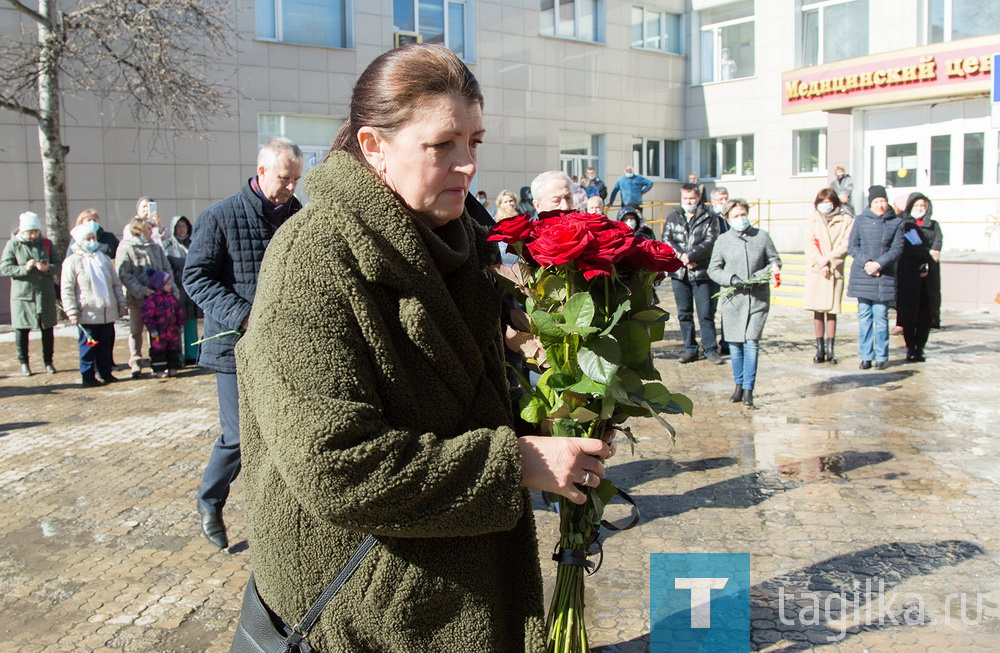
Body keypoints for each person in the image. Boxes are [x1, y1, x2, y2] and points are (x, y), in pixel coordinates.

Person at [235, 44, 611, 652]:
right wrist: (515, 462)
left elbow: (459, 398)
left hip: (457, 585)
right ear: (374, 147)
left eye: (476, 142)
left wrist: (560, 404)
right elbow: (334, 467)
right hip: (371, 608)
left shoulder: (457, 242)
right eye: (442, 145)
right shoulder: (312, 260)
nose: (467, 165)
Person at [183, 136, 304, 550]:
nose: (291, 188)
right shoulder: (220, 216)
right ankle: (209, 500)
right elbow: (195, 277)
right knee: (237, 437)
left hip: (283, 348)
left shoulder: (298, 216)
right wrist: (244, 315)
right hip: (233, 347)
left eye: (296, 180)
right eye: (285, 179)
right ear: (262, 171)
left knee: (282, 435)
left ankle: (279, 517)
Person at [708, 199, 781, 408]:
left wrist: (760, 275)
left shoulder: (762, 236)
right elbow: (714, 269)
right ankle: (738, 385)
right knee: (735, 344)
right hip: (734, 300)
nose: (741, 219)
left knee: (751, 342)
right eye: (736, 216)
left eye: (743, 214)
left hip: (757, 299)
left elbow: (775, 261)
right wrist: (731, 279)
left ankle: (749, 388)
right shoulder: (723, 240)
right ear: (727, 218)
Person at [661, 183, 722, 364]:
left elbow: (711, 242)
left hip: (701, 272)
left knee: (705, 313)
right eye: (685, 199)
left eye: (692, 199)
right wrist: (682, 257)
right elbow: (667, 239)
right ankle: (690, 348)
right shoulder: (673, 217)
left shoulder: (710, 218)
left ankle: (710, 349)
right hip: (680, 273)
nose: (689, 202)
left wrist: (692, 256)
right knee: (684, 313)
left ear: (698, 198)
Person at [61, 221, 126, 386]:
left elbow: (115, 283)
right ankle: (88, 376)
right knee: (88, 347)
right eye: (87, 238)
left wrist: (120, 303)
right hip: (87, 312)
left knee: (105, 345)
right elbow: (67, 288)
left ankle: (106, 372)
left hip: (107, 310)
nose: (91, 241)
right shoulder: (72, 261)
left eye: (93, 237)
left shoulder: (103, 259)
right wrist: (72, 311)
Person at [847, 185, 904, 370]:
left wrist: (879, 264)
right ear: (870, 203)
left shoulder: (896, 222)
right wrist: (867, 264)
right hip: (863, 276)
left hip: (884, 277)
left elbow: (897, 249)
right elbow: (852, 246)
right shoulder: (860, 220)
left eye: (883, 201)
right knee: (864, 318)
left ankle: (881, 356)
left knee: (881, 318)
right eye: (876, 201)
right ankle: (865, 356)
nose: (880, 205)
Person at [1, 211, 61, 376]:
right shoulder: (14, 245)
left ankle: (48, 362)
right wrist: (23, 269)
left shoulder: (46, 243)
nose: (34, 234)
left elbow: (58, 263)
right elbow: (4, 267)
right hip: (23, 297)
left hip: (45, 294)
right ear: (23, 231)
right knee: (22, 330)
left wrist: (48, 268)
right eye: (30, 231)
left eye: (36, 231)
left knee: (47, 329)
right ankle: (24, 363)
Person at [115, 216, 173, 378]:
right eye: (148, 228)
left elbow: (166, 268)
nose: (151, 231)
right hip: (137, 299)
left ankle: (157, 362)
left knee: (156, 330)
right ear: (138, 230)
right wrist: (141, 290)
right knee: (136, 330)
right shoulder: (126, 247)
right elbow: (124, 274)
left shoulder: (155, 247)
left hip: (158, 299)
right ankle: (136, 361)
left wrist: (168, 289)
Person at [803, 189, 854, 364]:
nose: (826, 205)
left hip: (833, 268)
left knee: (832, 311)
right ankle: (819, 349)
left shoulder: (846, 220)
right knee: (817, 310)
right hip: (817, 270)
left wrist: (828, 260)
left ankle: (831, 349)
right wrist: (819, 261)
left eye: (828, 202)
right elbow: (809, 243)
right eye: (822, 202)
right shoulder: (812, 220)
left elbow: (846, 244)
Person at [896, 192, 943, 362]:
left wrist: (930, 256)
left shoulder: (934, 225)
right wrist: (926, 253)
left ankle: (920, 348)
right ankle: (910, 347)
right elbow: (905, 247)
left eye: (923, 206)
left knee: (925, 312)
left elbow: (937, 244)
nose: (920, 209)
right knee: (909, 313)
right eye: (916, 206)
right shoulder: (904, 224)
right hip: (909, 273)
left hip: (929, 275)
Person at [161, 216, 201, 365]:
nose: (181, 230)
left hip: (192, 290)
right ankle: (176, 355)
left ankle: (192, 354)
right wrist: (178, 277)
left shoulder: (193, 244)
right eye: (178, 227)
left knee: (191, 322)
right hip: (175, 288)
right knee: (176, 323)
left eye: (184, 226)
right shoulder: (167, 245)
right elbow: (165, 267)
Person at [140, 270, 184, 378]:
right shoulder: (152, 299)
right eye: (168, 284)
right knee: (158, 351)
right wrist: (152, 329)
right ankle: (159, 370)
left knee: (173, 349)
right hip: (159, 331)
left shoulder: (171, 297)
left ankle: (173, 367)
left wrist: (180, 324)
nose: (170, 286)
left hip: (172, 330)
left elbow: (178, 311)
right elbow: (148, 316)